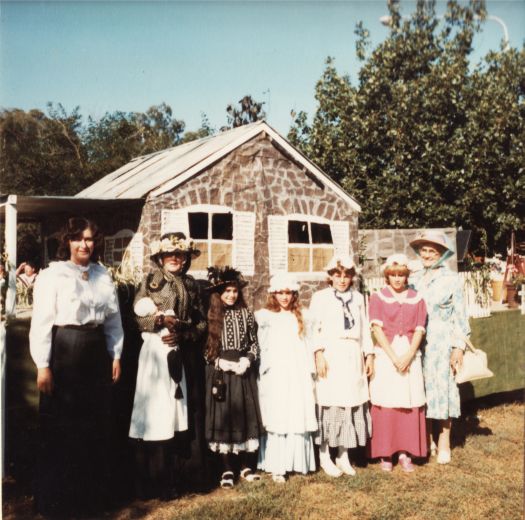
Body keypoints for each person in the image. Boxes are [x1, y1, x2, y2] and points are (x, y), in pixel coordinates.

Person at [29, 217, 123, 516]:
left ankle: (91, 499)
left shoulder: (102, 275)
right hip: (65, 350)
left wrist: (116, 354)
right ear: (67, 242)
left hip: (95, 353)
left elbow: (113, 320)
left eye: (90, 239)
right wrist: (43, 365)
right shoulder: (53, 275)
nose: (84, 245)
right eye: (78, 239)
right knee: (63, 426)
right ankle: (59, 501)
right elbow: (41, 322)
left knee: (94, 425)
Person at [129, 232, 205, 500]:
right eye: (169, 253)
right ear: (161, 258)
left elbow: (201, 323)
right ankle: (152, 479)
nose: (174, 258)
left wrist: (183, 334)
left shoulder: (193, 286)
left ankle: (181, 476)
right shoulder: (150, 282)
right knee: (156, 411)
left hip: (184, 355)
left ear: (185, 258)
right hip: (155, 355)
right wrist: (159, 323)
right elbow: (136, 319)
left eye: (179, 254)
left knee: (180, 412)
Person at [309, 255, 374, 477]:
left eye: (347, 275)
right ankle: (325, 455)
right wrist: (318, 354)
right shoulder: (320, 298)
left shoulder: (357, 297)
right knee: (330, 404)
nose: (343, 280)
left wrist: (369, 355)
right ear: (331, 276)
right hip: (331, 354)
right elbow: (313, 329)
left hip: (352, 354)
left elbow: (364, 327)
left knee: (349, 403)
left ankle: (343, 455)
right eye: (338, 275)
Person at [409, 232, 470, 465]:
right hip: (416, 341)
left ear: (442, 254)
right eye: (423, 250)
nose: (427, 255)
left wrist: (458, 347)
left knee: (442, 390)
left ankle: (444, 442)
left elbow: (460, 316)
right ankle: (425, 440)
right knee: (420, 389)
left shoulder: (451, 279)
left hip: (441, 341)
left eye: (432, 251)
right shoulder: (413, 278)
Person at [204, 266, 264, 488]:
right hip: (220, 373)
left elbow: (254, 343)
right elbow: (204, 349)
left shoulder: (246, 314)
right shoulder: (211, 315)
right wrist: (217, 361)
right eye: (227, 291)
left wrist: (247, 359)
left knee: (245, 415)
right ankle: (226, 469)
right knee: (223, 417)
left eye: (235, 291)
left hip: (242, 371)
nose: (231, 295)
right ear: (219, 294)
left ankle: (246, 466)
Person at [368, 254, 428, 472]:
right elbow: (376, 329)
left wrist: (409, 355)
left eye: (401, 275)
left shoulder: (417, 297)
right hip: (387, 354)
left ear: (406, 276)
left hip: (410, 354)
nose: (397, 279)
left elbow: (420, 329)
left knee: (408, 401)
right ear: (387, 276)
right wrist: (394, 358)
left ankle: (405, 452)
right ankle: (386, 452)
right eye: (393, 275)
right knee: (387, 401)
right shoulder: (378, 297)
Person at [255, 274, 317, 483]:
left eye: (288, 293)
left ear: (294, 294)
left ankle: (297, 462)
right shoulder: (265, 317)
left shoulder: (303, 316)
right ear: (274, 294)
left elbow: (308, 344)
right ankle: (277, 465)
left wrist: (310, 369)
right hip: (277, 371)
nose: (284, 297)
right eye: (280, 293)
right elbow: (262, 345)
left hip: (297, 370)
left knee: (295, 411)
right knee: (278, 413)